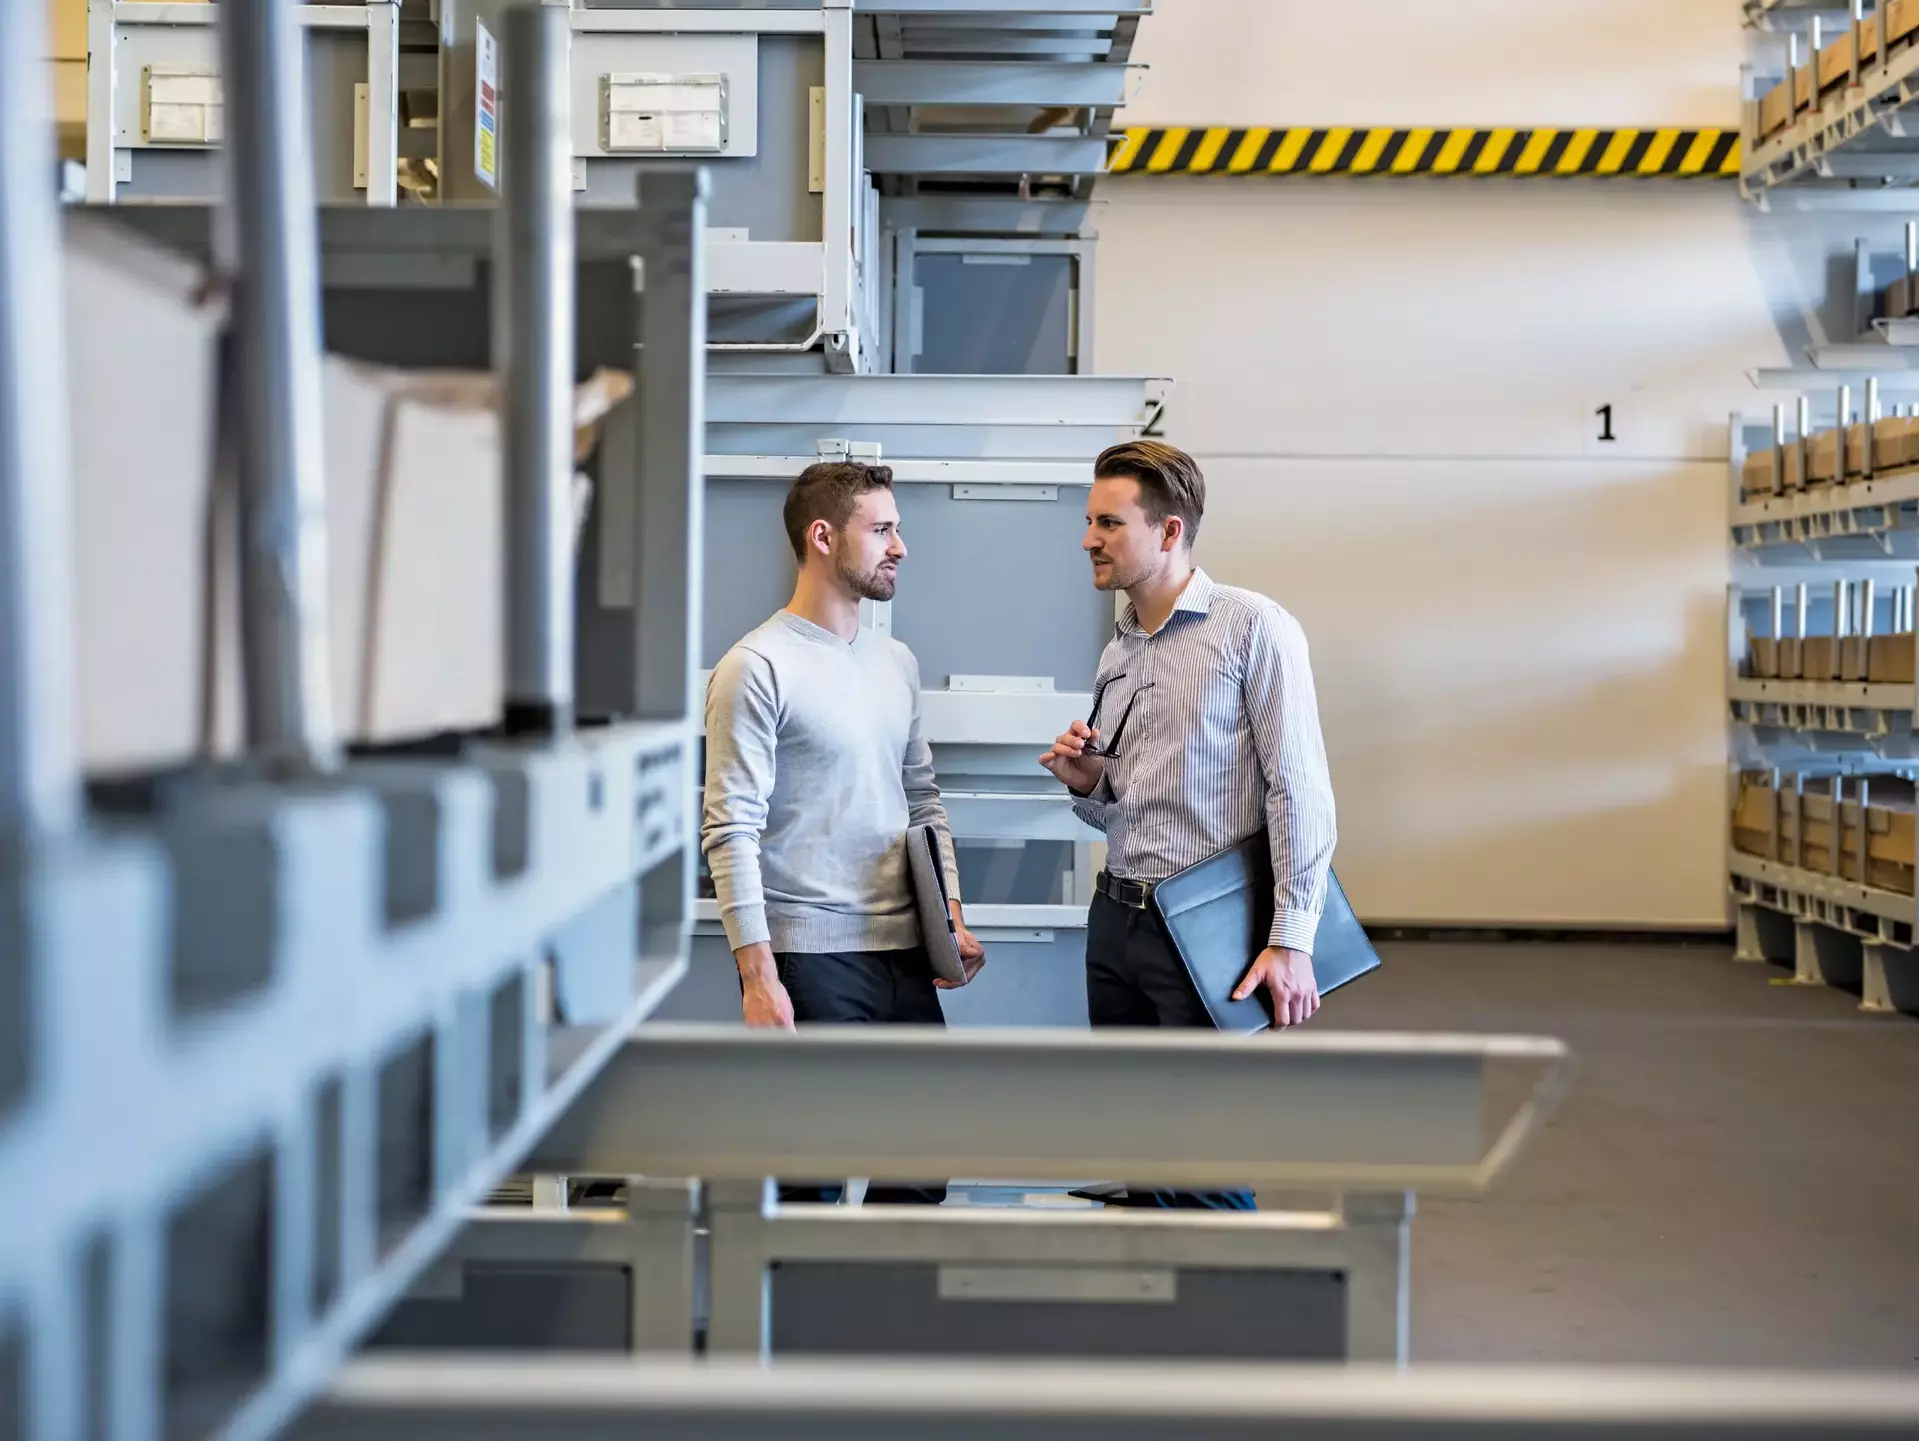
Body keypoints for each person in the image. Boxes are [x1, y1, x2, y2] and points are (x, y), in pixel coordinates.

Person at [1039, 440, 1337, 1212]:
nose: (1087, 539)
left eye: (1108, 522)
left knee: (1197, 1164)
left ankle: (1229, 1322)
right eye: (1087, 520)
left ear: (1169, 532)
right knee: (1142, 1151)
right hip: (1117, 920)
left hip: (1205, 928)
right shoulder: (1119, 648)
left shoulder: (1253, 629)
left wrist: (1291, 938)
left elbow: (1298, 790)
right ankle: (1162, 1322)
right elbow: (1125, 795)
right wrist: (1088, 781)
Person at [702, 459, 984, 1207]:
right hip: (809, 957)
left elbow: (922, 799)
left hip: (901, 954)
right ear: (823, 536)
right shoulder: (755, 665)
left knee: (922, 1163)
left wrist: (947, 915)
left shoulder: (895, 661)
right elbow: (728, 826)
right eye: (882, 529)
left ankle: (871, 1312)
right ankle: (796, 1318)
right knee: (811, 1178)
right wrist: (758, 977)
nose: (901, 546)